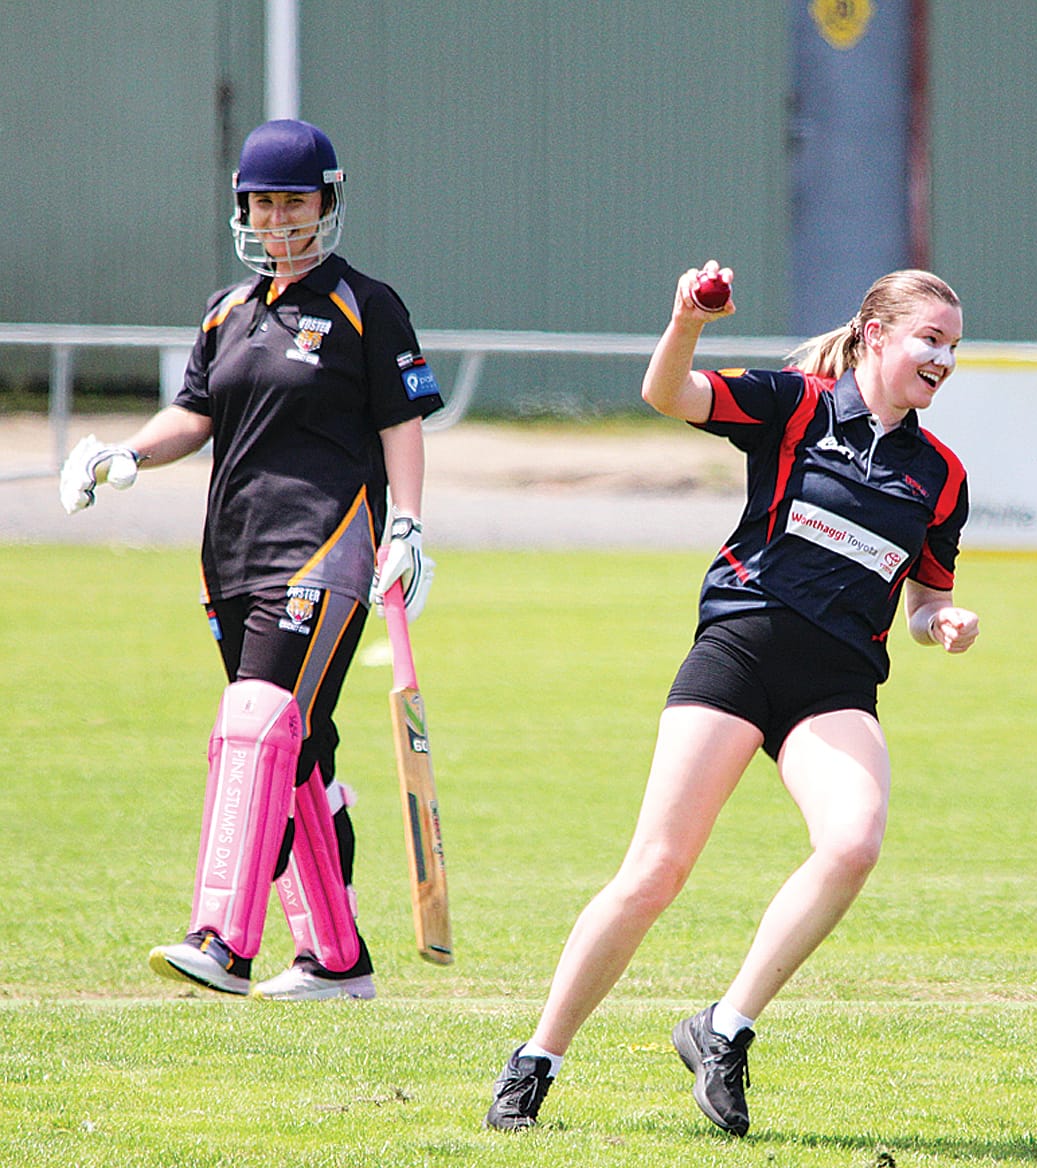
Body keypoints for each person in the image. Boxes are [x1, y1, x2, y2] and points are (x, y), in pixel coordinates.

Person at [484, 262, 980, 1136]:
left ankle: (724, 1026)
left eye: (952, 346)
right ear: (875, 336)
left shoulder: (941, 475)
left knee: (853, 843)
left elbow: (924, 598)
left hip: (835, 686)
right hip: (741, 654)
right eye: (929, 339)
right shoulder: (796, 406)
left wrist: (941, 621)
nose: (943, 358)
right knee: (655, 871)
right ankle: (536, 1060)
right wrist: (687, 320)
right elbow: (667, 394)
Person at [59, 118, 442, 1001]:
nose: (276, 219)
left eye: (292, 202)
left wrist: (409, 527)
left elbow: (402, 422)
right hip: (231, 556)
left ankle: (223, 939)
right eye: (261, 203)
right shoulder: (227, 312)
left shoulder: (366, 305)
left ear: (326, 203)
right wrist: (125, 453)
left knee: (258, 719)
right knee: (295, 749)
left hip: (326, 548)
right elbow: (193, 414)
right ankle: (335, 959)